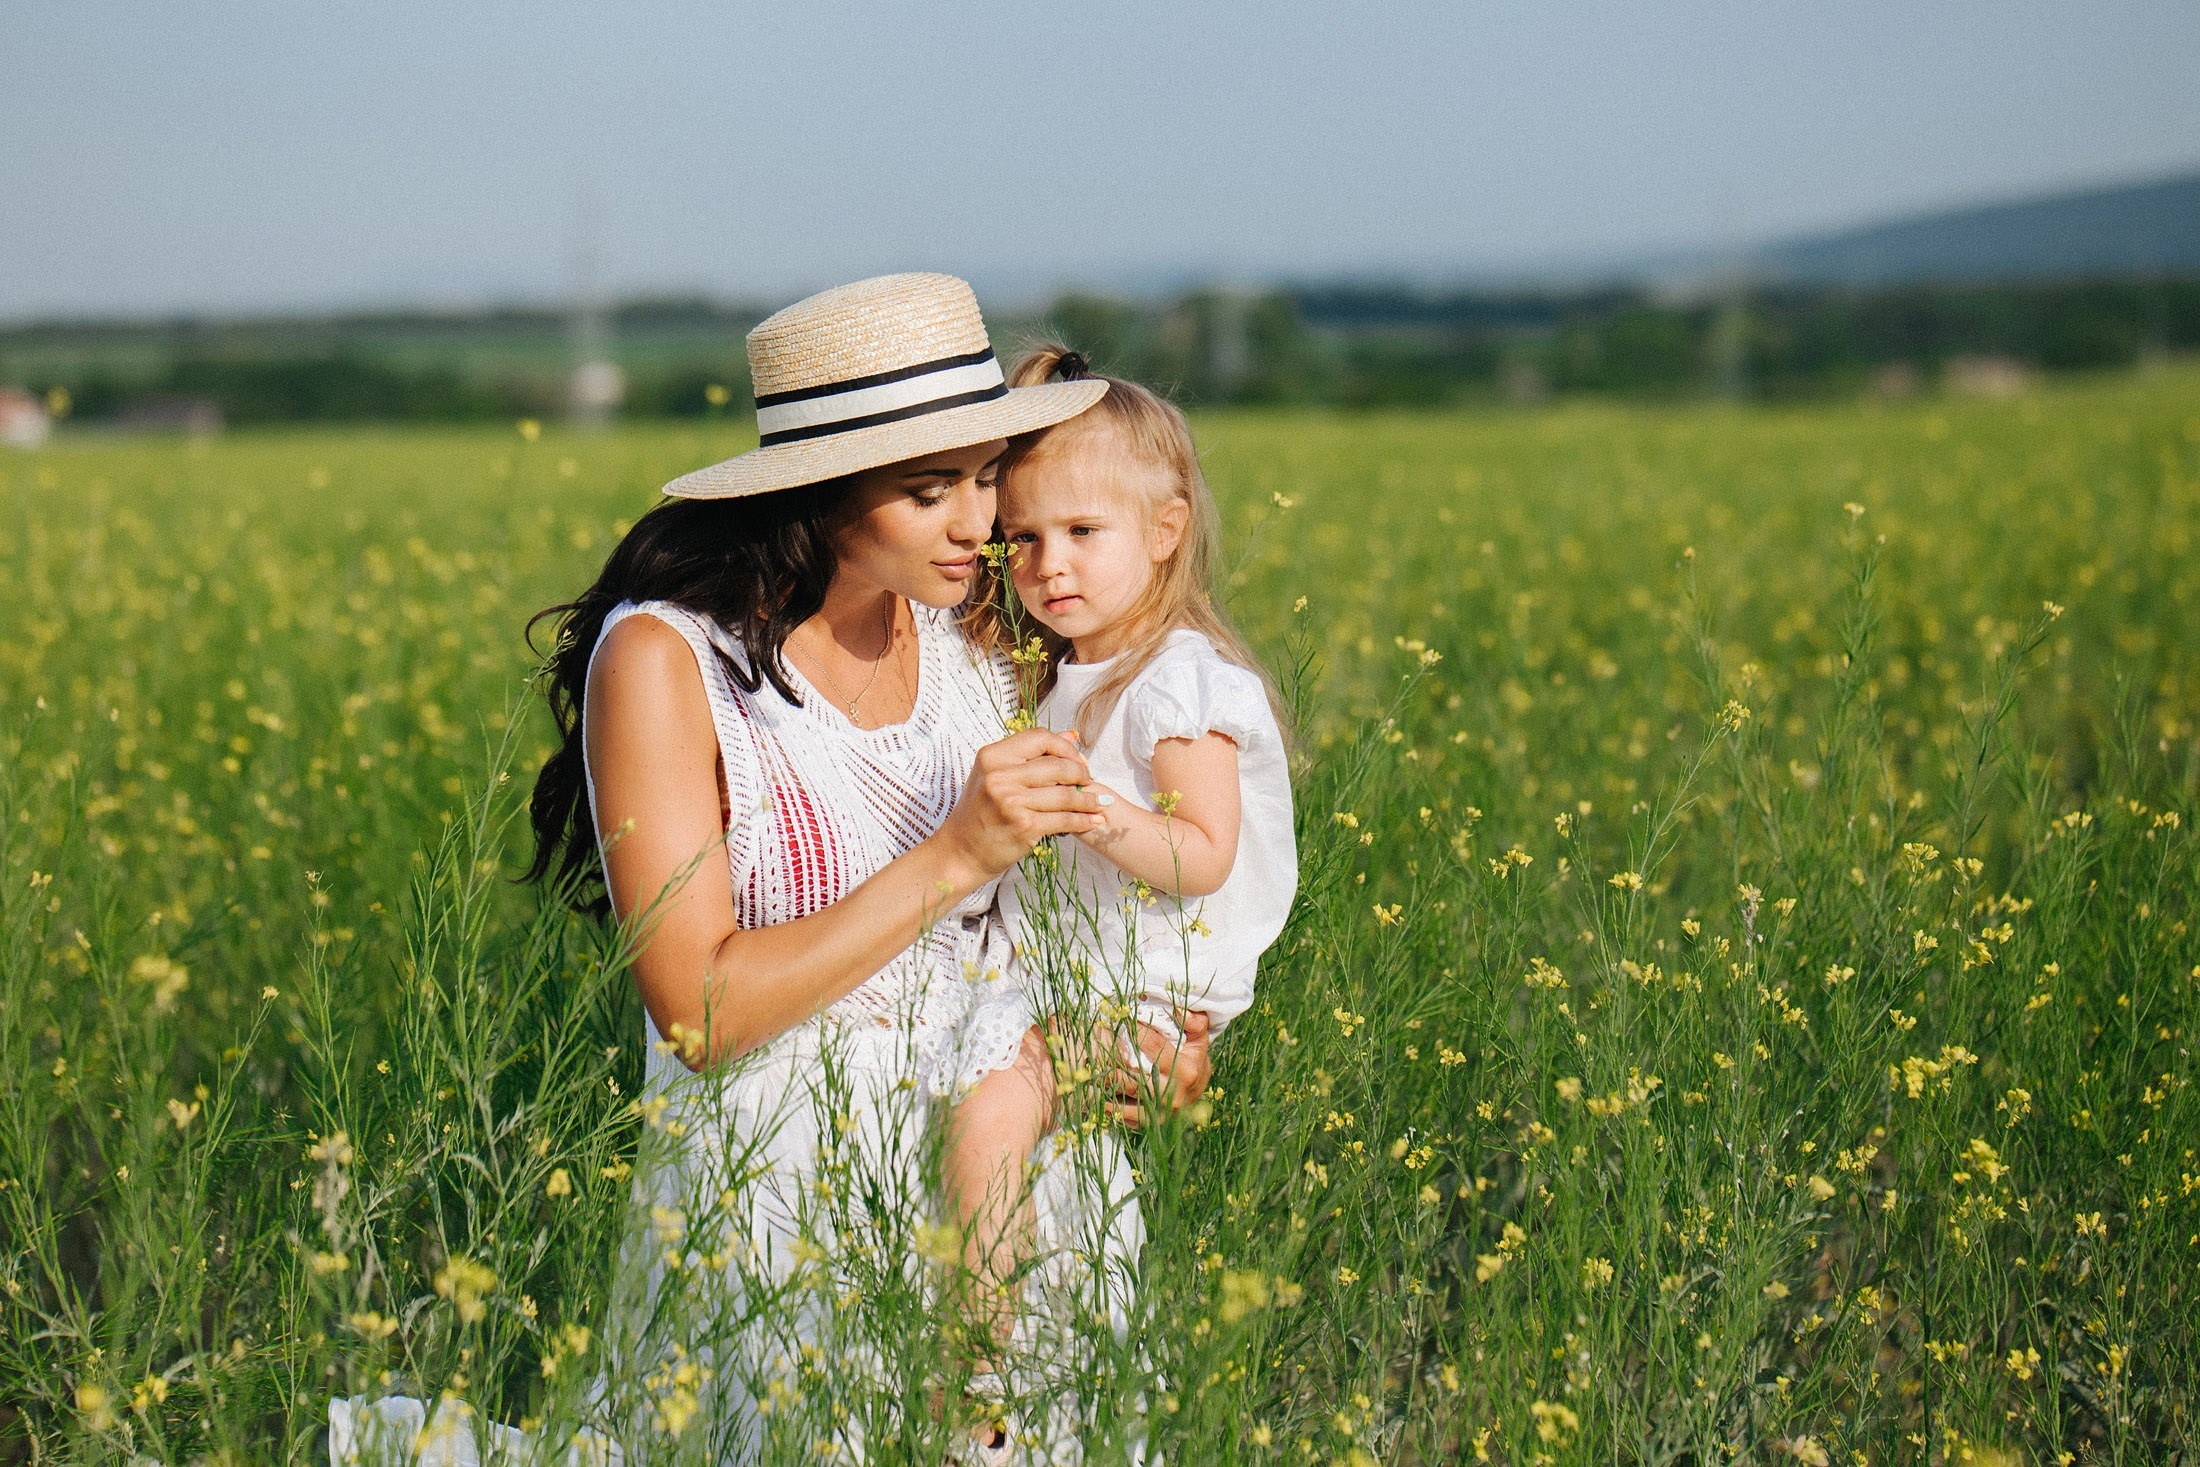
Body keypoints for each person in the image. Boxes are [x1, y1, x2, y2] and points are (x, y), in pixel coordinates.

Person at [334, 275, 1213, 1464]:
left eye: (985, 476)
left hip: (1001, 1190)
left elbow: (1074, 903)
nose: (979, 525)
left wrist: (1151, 1049)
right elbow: (698, 1009)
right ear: (817, 489)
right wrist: (954, 853)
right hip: (783, 1201)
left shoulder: (970, 628)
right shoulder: (664, 660)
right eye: (927, 490)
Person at [945, 346, 1298, 1424]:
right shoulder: (1071, 672)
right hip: (1080, 971)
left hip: (1145, 988)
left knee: (996, 1111)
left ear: (1165, 529)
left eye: (1082, 534)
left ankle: (975, 1360)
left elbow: (1201, 853)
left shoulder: (1179, 677)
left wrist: (1092, 811)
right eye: (1026, 540)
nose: (1050, 565)